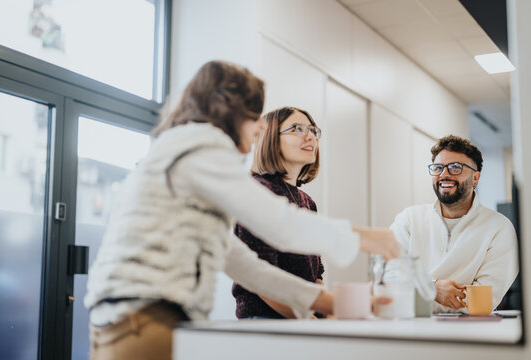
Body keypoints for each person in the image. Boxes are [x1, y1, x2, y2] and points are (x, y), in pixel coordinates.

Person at [84, 60, 399, 360]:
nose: (261, 125)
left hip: (126, 322)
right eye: (255, 115)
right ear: (230, 111)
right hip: (144, 320)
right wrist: (364, 238)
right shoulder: (200, 146)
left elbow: (247, 267)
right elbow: (280, 224)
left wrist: (333, 302)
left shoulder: (185, 156)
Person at [390, 135, 519, 313]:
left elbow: (482, 302)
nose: (444, 175)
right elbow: (388, 280)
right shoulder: (409, 219)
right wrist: (433, 288)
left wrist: (414, 290)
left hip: (466, 333)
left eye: (455, 168)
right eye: (438, 168)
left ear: (475, 178)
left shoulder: (500, 229)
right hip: (407, 329)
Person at [232, 106, 327, 319]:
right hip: (267, 324)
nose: (310, 136)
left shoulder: (307, 203)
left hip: (304, 322)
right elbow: (263, 279)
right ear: (270, 139)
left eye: (312, 130)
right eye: (297, 129)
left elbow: (316, 275)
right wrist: (312, 322)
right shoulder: (256, 192)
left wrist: (327, 316)